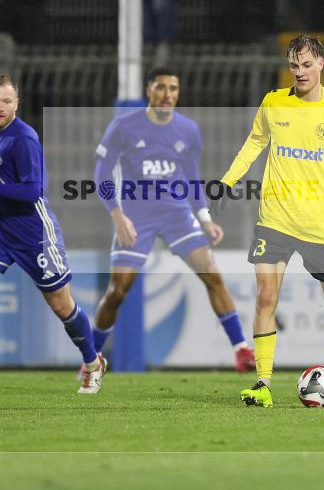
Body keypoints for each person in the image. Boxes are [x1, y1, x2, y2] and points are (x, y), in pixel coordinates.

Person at [212, 35, 324, 408]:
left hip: (320, 229)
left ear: (321, 64)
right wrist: (227, 182)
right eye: (294, 66)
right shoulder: (273, 102)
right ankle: (263, 384)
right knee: (265, 297)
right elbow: (253, 143)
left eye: (306, 65)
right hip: (275, 220)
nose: (300, 73)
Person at [90, 67, 256, 373]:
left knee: (212, 274)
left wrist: (204, 217)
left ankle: (242, 350)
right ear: (148, 90)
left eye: (173, 89)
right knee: (117, 291)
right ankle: (91, 358)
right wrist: (118, 215)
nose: (168, 95)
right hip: (136, 216)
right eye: (161, 88)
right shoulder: (124, 127)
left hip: (177, 214)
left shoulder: (188, 130)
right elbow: (101, 173)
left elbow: (191, 176)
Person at [0, 75, 106, 394]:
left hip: (35, 234)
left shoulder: (24, 138)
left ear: (17, 104)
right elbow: (3, 175)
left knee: (62, 306)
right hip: (1, 228)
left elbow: (34, 190)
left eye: (6, 101)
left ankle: (93, 364)